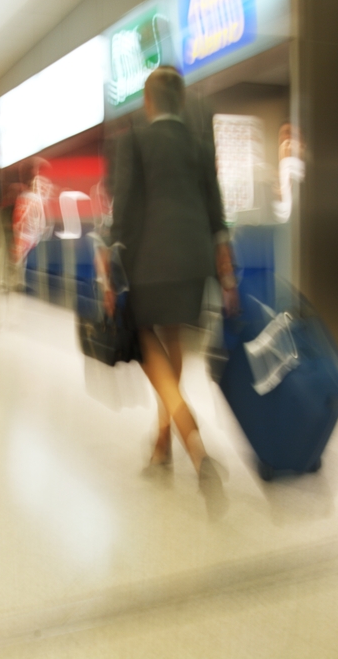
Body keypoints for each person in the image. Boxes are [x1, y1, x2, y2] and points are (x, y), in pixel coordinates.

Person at [108, 66, 238, 518]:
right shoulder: (200, 146)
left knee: (149, 350)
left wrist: (110, 264)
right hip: (193, 261)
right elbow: (216, 212)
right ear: (180, 103)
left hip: (149, 261)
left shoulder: (135, 141)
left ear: (148, 102)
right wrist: (227, 272)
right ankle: (161, 446)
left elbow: (123, 209)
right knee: (174, 341)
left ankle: (197, 450)